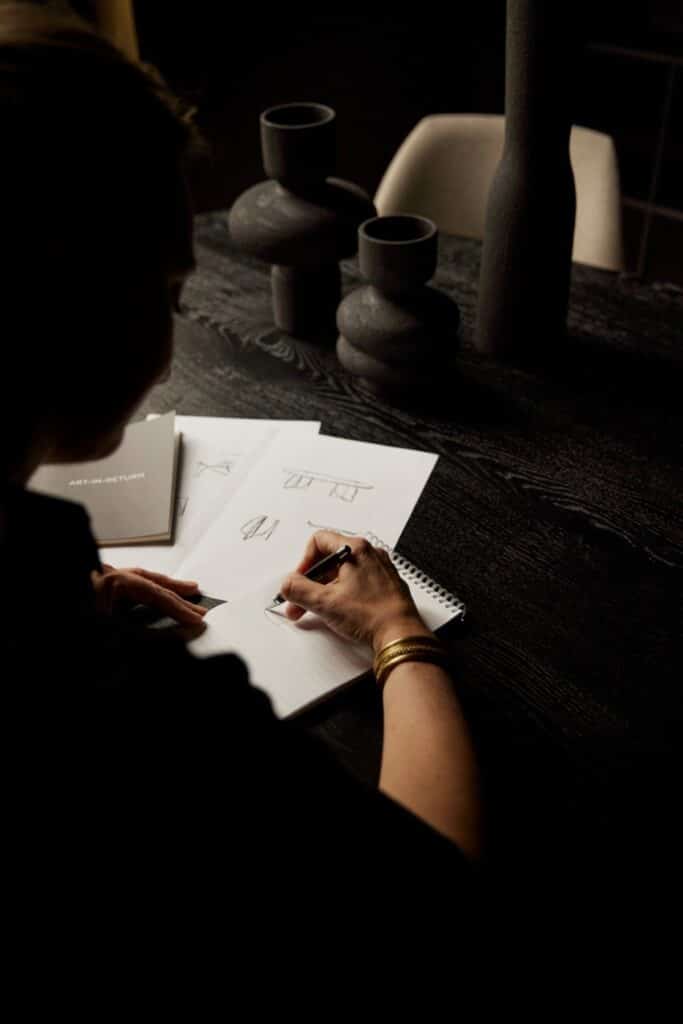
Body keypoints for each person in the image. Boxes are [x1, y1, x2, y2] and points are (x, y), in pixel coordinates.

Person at [1, 2, 484, 976]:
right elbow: (431, 908)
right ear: (89, 304)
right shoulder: (132, 707)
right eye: (171, 293)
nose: (171, 330)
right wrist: (399, 634)